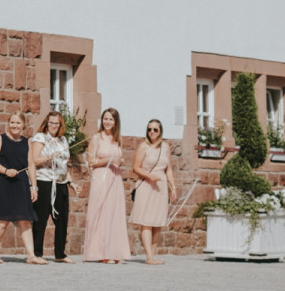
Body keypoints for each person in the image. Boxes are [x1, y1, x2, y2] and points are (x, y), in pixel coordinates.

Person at [0, 112, 43, 264]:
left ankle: (31, 256)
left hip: (21, 184)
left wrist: (34, 187)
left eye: (18, 123)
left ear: (23, 125)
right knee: (2, 221)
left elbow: (31, 165)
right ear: (8, 123)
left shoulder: (27, 142)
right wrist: (5, 170)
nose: (15, 126)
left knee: (25, 220)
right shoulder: (0, 139)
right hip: (3, 183)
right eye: (12, 122)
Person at [82, 108, 132, 264]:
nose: (107, 122)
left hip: (115, 178)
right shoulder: (97, 138)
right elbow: (91, 163)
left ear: (116, 122)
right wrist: (108, 159)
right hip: (101, 177)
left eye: (111, 119)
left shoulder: (118, 140)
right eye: (105, 118)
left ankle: (114, 251)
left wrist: (118, 161)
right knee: (101, 213)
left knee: (114, 214)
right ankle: (101, 253)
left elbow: (118, 158)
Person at [130, 119, 176, 266]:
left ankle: (153, 255)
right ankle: (149, 256)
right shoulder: (144, 147)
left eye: (155, 130)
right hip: (147, 185)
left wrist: (173, 187)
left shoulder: (166, 147)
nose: (152, 132)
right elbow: (135, 167)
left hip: (161, 186)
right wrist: (150, 176)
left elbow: (168, 169)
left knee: (158, 222)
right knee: (147, 222)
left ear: (160, 131)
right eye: (150, 129)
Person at [30, 110, 73, 262]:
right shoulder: (40, 137)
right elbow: (34, 160)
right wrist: (49, 156)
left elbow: (65, 165)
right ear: (47, 123)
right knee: (41, 219)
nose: (54, 126)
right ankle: (36, 253)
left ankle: (60, 254)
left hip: (60, 183)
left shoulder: (63, 140)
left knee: (62, 219)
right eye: (51, 123)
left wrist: (70, 181)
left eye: (57, 123)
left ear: (60, 125)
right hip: (45, 181)